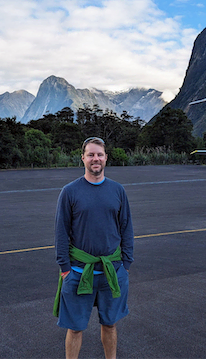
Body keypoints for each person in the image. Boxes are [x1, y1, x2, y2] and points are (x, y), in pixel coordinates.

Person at [54, 137, 134, 359]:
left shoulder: (117, 191)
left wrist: (125, 264)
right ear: (83, 158)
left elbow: (126, 228)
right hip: (79, 273)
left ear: (106, 158)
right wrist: (65, 268)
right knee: (76, 327)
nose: (95, 159)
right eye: (91, 154)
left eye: (99, 154)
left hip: (113, 272)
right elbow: (61, 232)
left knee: (110, 325)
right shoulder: (69, 192)